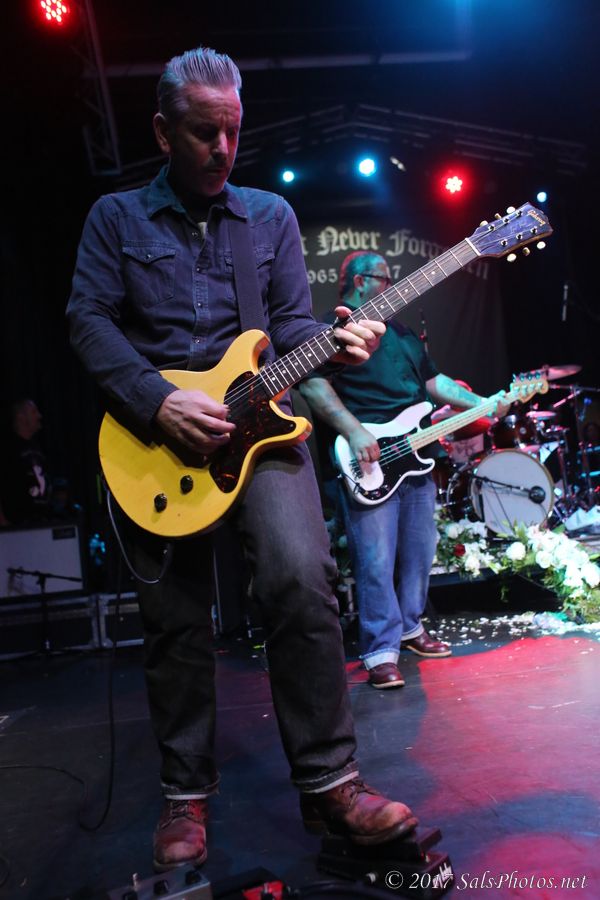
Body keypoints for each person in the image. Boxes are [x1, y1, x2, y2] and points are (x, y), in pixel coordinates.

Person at [66, 48, 419, 872]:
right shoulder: (115, 218)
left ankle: (333, 783)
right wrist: (157, 400)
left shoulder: (271, 216)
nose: (222, 149)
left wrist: (336, 342)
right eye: (203, 133)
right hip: (155, 441)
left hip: (262, 431)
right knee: (175, 621)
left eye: (232, 130)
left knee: (302, 578)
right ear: (163, 132)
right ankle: (185, 795)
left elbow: (289, 329)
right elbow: (87, 320)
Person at [300, 251, 508, 689]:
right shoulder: (333, 331)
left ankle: (411, 627)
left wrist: (486, 403)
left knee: (418, 551)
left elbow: (434, 383)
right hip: (370, 456)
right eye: (384, 278)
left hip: (417, 452)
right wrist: (354, 430)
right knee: (375, 559)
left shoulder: (403, 332)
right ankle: (380, 651)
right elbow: (314, 385)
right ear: (360, 282)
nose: (391, 286)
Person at [0, 398, 50, 527]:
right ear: (21, 417)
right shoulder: (7, 447)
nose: (39, 416)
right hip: (17, 524)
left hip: (40, 520)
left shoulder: (37, 447)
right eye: (34, 412)